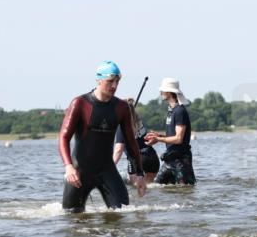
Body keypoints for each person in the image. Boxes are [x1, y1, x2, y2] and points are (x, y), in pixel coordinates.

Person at [58, 60, 146, 212]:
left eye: (117, 82)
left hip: (107, 170)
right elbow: (63, 138)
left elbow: (131, 143)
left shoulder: (122, 107)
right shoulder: (80, 103)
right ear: (98, 80)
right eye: (110, 81)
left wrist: (140, 174)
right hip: (79, 171)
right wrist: (69, 167)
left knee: (122, 212)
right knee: (72, 216)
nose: (114, 86)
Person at [144, 78, 195, 185]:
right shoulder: (171, 110)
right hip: (169, 159)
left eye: (163, 90)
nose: (160, 93)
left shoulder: (180, 111)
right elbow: (173, 135)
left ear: (169, 92)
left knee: (186, 190)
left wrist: (158, 139)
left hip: (181, 161)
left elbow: (178, 139)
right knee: (154, 188)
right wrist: (159, 136)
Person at [112, 98, 160, 184]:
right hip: (152, 157)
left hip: (137, 159)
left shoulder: (122, 127)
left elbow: (118, 150)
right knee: (148, 187)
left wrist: (110, 167)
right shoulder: (139, 121)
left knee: (135, 188)